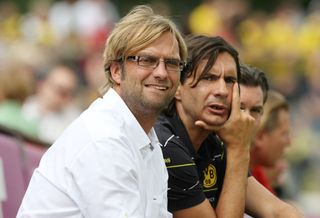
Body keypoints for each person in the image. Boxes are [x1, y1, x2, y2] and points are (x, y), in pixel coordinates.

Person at [17, 5, 187, 218]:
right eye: (147, 60)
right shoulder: (104, 139)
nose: (162, 72)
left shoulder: (144, 136)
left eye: (172, 63)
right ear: (116, 71)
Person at [155, 35, 303, 217]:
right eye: (209, 78)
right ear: (178, 87)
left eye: (230, 80)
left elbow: (277, 211)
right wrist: (239, 148)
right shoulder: (165, 144)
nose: (222, 91)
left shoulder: (214, 142)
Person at [22, 63, 81, 144]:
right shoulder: (25, 104)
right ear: (42, 84)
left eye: (65, 93)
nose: (59, 97)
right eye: (57, 89)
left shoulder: (74, 122)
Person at [249, 90, 292, 195]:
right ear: (259, 137)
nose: (289, 142)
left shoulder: (255, 173)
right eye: (284, 134)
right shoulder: (232, 173)